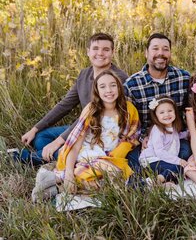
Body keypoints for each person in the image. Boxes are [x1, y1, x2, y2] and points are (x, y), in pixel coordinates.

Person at [18, 33, 128, 166]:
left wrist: (58, 141)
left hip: (99, 132)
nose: (100, 53)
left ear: (112, 52)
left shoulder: (118, 79)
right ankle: (54, 155)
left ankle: (24, 157)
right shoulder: (84, 74)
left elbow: (92, 114)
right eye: (95, 48)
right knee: (41, 136)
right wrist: (34, 129)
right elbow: (65, 105)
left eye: (106, 49)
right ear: (88, 52)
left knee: (59, 147)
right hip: (81, 128)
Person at [31, 70, 140, 202]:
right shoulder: (92, 110)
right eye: (103, 86)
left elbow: (132, 137)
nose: (109, 90)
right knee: (110, 176)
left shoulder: (128, 109)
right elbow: (75, 144)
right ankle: (65, 178)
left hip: (110, 155)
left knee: (116, 178)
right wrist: (70, 172)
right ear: (97, 91)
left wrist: (117, 154)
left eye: (113, 85)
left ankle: (56, 184)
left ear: (119, 87)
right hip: (88, 153)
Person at [123, 33, 191, 172]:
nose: (160, 53)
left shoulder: (183, 78)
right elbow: (129, 122)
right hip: (148, 140)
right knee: (134, 159)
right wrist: (143, 138)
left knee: (185, 152)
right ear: (146, 52)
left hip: (174, 137)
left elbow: (191, 110)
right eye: (155, 48)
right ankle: (161, 174)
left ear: (170, 53)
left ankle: (165, 173)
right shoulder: (132, 84)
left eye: (165, 49)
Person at [139, 96, 188, 186]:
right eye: (162, 112)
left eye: (170, 111)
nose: (167, 115)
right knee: (177, 168)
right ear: (156, 116)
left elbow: (176, 136)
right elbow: (159, 152)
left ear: (175, 112)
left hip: (162, 160)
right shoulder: (157, 130)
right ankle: (152, 182)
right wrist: (178, 160)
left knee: (180, 171)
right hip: (151, 160)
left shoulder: (172, 126)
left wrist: (189, 133)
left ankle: (163, 181)